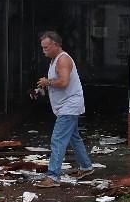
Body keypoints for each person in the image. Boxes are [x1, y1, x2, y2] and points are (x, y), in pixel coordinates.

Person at [34, 31, 94, 188]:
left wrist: (48, 82)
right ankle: (86, 167)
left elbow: (64, 82)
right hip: (65, 106)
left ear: (56, 44)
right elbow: (58, 81)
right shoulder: (54, 60)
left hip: (69, 105)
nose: (44, 50)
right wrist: (45, 86)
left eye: (46, 47)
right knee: (74, 138)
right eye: (43, 48)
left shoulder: (63, 60)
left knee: (58, 139)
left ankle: (53, 176)